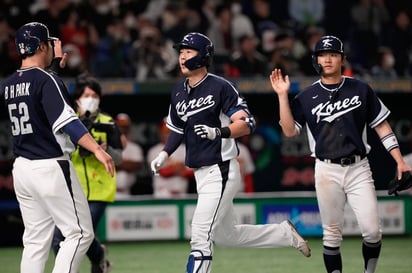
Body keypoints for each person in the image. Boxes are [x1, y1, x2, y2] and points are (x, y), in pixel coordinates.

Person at [150, 32, 311, 273]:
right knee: (227, 236)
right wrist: (165, 154)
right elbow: (176, 128)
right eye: (181, 52)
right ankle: (283, 233)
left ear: (203, 56)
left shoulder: (220, 86)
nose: (182, 57)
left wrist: (220, 132)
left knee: (200, 234)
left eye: (188, 52)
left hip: (221, 169)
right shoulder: (179, 91)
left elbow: (247, 123)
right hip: (200, 172)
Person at [269, 35, 412, 273]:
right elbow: (289, 131)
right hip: (326, 169)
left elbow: (382, 126)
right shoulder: (306, 95)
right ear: (316, 60)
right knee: (332, 235)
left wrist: (399, 161)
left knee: (373, 231)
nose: (328, 59)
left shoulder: (360, 89)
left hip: (358, 167)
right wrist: (282, 95)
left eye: (333, 55)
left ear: (342, 59)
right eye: (323, 55)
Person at [0, 22, 115, 273]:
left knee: (34, 240)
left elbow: (36, 89)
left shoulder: (9, 83)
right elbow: (68, 121)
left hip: (22, 168)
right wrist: (96, 148)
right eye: (50, 43)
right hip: (50, 164)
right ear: (41, 46)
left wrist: (53, 67)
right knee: (81, 233)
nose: (55, 46)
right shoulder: (46, 79)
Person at [52, 73, 123, 273]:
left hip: (100, 189)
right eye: (86, 94)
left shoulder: (107, 122)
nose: (91, 98)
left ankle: (96, 258)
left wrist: (104, 149)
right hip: (72, 189)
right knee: (61, 237)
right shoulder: (67, 121)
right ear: (77, 99)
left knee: (82, 232)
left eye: (94, 94)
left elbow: (119, 158)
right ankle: (98, 256)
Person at [147, 117, 193, 198]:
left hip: (182, 194)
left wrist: (170, 168)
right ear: (160, 132)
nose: (168, 134)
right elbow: (161, 172)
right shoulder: (154, 150)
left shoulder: (185, 149)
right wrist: (180, 168)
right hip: (161, 194)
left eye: (171, 131)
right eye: (165, 131)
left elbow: (192, 172)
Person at [114, 112, 145, 199]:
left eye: (125, 127)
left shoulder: (134, 147)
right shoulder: (108, 145)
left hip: (127, 192)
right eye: (120, 126)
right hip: (109, 192)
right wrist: (125, 163)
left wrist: (117, 163)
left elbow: (138, 165)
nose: (122, 129)